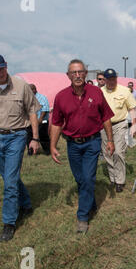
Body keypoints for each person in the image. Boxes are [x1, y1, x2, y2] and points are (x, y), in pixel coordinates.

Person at [0, 53, 41, 242]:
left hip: (17, 136)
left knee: (9, 182)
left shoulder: (21, 86)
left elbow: (32, 112)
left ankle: (9, 222)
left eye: (2, 68)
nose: (0, 72)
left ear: (6, 66)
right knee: (8, 177)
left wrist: (35, 138)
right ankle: (26, 203)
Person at [50, 59, 115, 234]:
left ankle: (82, 217)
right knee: (81, 180)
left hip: (92, 142)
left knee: (87, 178)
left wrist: (110, 140)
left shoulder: (96, 92)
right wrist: (52, 145)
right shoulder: (61, 96)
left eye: (80, 72)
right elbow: (56, 123)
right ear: (68, 75)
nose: (77, 75)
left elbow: (106, 117)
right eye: (74, 73)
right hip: (72, 145)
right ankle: (91, 203)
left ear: (86, 74)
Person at [101, 69, 136, 192]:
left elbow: (132, 108)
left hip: (120, 124)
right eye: (109, 79)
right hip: (104, 126)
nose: (112, 81)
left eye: (114, 78)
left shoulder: (125, 91)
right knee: (107, 153)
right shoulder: (99, 92)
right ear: (104, 80)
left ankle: (120, 181)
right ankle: (113, 178)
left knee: (118, 152)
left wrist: (134, 125)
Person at [26, 84, 51, 155]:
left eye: (32, 90)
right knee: (29, 137)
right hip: (30, 122)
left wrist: (40, 119)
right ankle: (31, 152)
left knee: (43, 137)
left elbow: (45, 109)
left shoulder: (42, 97)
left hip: (42, 121)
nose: (30, 91)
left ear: (35, 89)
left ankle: (48, 152)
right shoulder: (27, 98)